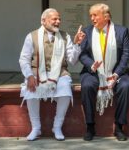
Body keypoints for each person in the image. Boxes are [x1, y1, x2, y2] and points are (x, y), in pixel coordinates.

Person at [19, 8, 85, 141]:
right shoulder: (32, 36)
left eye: (59, 19)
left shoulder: (65, 36)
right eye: (54, 19)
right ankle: (36, 128)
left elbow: (72, 60)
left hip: (60, 73)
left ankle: (57, 126)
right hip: (37, 73)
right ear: (43, 21)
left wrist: (77, 43)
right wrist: (29, 76)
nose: (58, 22)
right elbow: (24, 59)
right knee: (30, 90)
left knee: (66, 90)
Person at [79, 3, 129, 141]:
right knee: (87, 86)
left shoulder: (121, 31)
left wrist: (117, 73)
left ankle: (119, 126)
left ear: (106, 16)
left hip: (117, 72)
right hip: (93, 72)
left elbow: (126, 55)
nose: (92, 18)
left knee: (126, 86)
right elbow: (82, 54)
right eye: (91, 15)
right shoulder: (87, 31)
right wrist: (91, 65)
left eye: (95, 15)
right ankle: (90, 126)